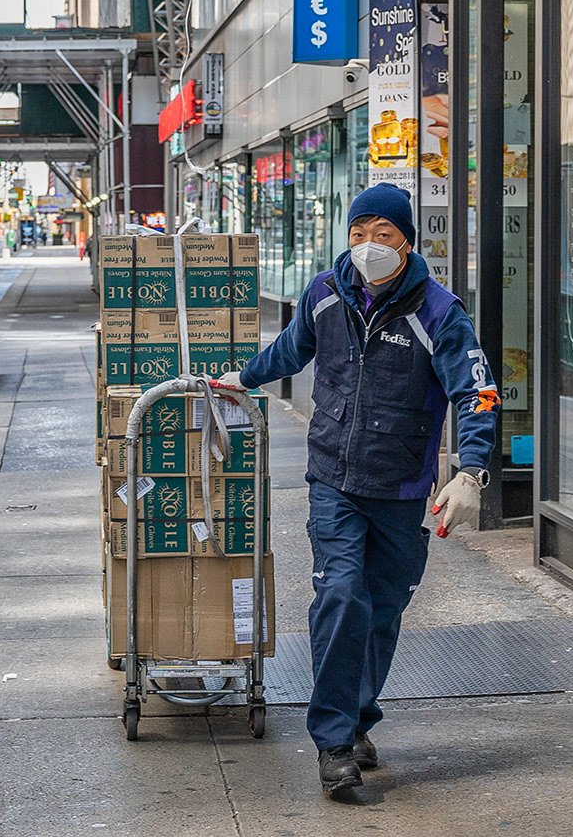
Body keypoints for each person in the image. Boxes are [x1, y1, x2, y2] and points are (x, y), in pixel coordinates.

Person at [213, 182, 498, 794]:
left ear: (407, 241)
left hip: (398, 488)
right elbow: (292, 351)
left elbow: (475, 392)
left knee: (383, 611)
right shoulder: (324, 293)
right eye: (358, 232)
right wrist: (242, 377)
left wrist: (471, 471)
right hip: (334, 481)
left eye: (383, 234)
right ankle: (334, 742)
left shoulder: (440, 313)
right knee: (342, 597)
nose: (368, 245)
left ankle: (359, 716)